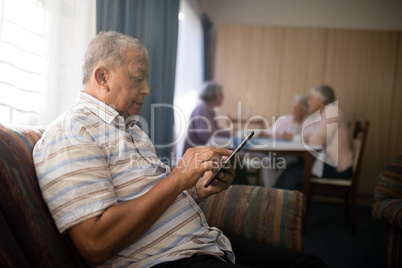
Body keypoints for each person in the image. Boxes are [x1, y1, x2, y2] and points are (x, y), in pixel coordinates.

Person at [33, 31, 326, 268]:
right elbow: (95, 244)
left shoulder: (129, 128)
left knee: (309, 263)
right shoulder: (72, 132)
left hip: (203, 243)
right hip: (167, 259)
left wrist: (197, 189)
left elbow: (152, 197)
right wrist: (179, 177)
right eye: (138, 77)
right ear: (102, 77)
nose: (147, 89)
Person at [274, 85, 353, 190]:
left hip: (337, 168)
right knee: (292, 167)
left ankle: (279, 200)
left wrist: (306, 138)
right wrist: (307, 137)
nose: (308, 102)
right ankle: (276, 197)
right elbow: (313, 137)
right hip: (327, 163)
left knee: (295, 172)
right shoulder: (323, 114)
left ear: (321, 100)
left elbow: (319, 141)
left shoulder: (332, 110)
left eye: (311, 99)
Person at [182, 81, 226, 155]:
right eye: (220, 94)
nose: (223, 97)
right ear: (212, 94)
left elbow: (214, 130)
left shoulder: (208, 109)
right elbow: (206, 135)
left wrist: (227, 131)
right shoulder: (203, 109)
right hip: (194, 156)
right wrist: (228, 132)